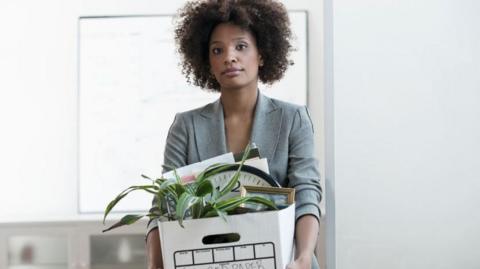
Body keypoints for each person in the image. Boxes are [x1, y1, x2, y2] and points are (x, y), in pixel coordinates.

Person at [145, 0, 322, 268]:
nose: (229, 56)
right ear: (208, 61)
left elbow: (306, 193)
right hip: (205, 260)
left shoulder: (293, 119)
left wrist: (304, 257)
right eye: (218, 50)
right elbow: (164, 204)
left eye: (241, 46)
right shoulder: (186, 126)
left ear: (261, 54)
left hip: (282, 261)